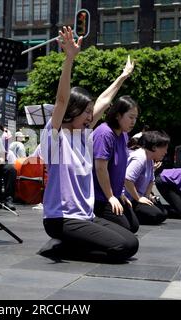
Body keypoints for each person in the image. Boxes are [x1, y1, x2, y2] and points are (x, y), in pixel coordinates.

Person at [38, 26, 138, 262]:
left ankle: (69, 245)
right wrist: (69, 59)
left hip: (86, 217)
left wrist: (122, 77)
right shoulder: (55, 137)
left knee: (131, 238)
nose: (90, 117)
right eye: (86, 112)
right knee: (123, 248)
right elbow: (61, 99)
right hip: (61, 220)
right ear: (71, 112)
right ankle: (61, 247)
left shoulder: (83, 136)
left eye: (91, 113)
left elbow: (105, 99)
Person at [92, 96, 140, 233]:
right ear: (118, 116)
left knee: (133, 226)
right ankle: (95, 218)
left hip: (115, 194)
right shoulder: (104, 133)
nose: (133, 122)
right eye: (131, 117)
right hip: (100, 197)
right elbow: (101, 168)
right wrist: (110, 197)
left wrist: (121, 193)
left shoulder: (124, 135)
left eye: (135, 118)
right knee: (124, 229)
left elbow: (119, 167)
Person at [124, 131, 169, 225]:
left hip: (138, 197)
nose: (166, 152)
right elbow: (127, 180)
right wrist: (139, 198)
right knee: (156, 215)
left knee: (163, 213)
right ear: (154, 147)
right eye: (164, 148)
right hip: (128, 198)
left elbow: (151, 181)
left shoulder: (150, 159)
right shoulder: (140, 158)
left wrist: (146, 197)